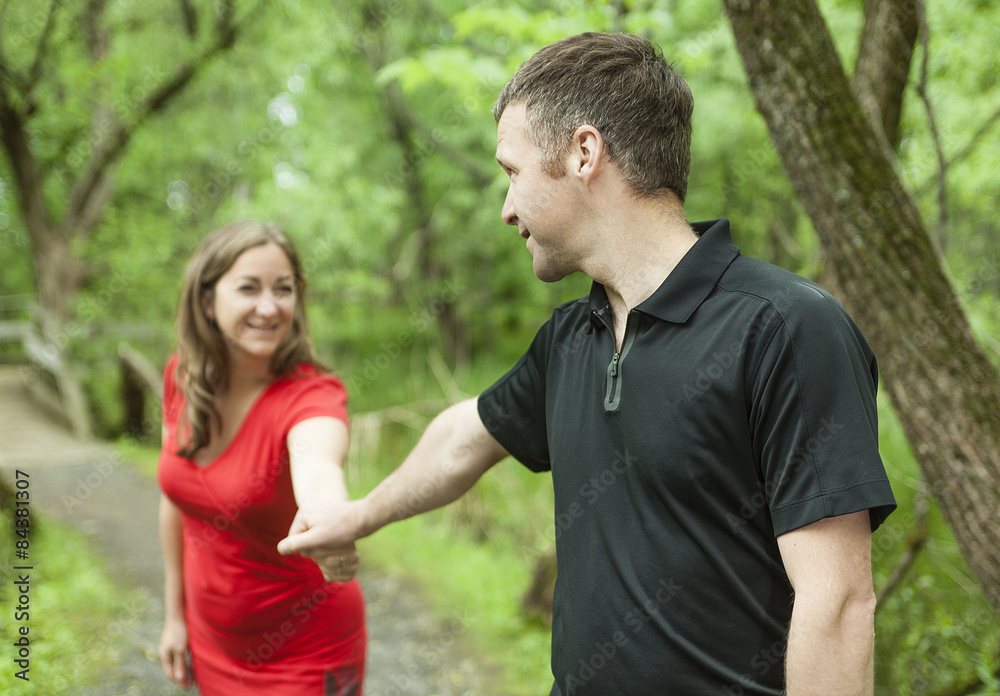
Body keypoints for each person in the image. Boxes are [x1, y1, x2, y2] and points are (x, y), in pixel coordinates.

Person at [278, 32, 897, 695]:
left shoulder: (784, 327)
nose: (506, 208)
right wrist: (361, 514)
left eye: (512, 173)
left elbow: (836, 607)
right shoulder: (575, 335)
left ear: (584, 153)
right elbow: (468, 436)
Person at [157, 220, 366, 694]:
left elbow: (318, 467)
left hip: (309, 653)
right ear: (207, 301)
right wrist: (175, 615)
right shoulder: (183, 377)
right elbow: (176, 500)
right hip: (214, 644)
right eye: (249, 288)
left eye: (284, 289)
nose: (269, 307)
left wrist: (330, 518)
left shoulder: (311, 396)